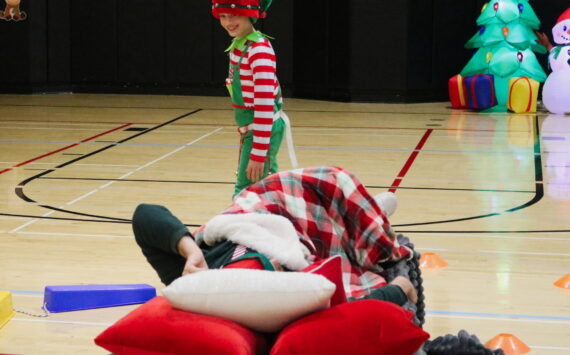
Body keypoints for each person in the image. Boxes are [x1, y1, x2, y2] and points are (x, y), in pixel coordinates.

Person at [133, 166, 417, 306]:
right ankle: (374, 213)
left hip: (260, 213)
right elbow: (345, 314)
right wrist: (398, 289)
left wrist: (190, 250)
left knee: (328, 186)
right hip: (298, 239)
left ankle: (372, 210)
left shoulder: (186, 276)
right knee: (351, 234)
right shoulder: (272, 301)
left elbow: (145, 215)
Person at [212, 0, 296, 198]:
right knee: (268, 190)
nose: (228, 22)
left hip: (260, 129)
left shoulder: (258, 50)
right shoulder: (240, 46)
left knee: (245, 194)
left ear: (249, 14)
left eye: (233, 16)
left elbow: (265, 105)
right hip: (254, 130)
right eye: (223, 16)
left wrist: (258, 152)